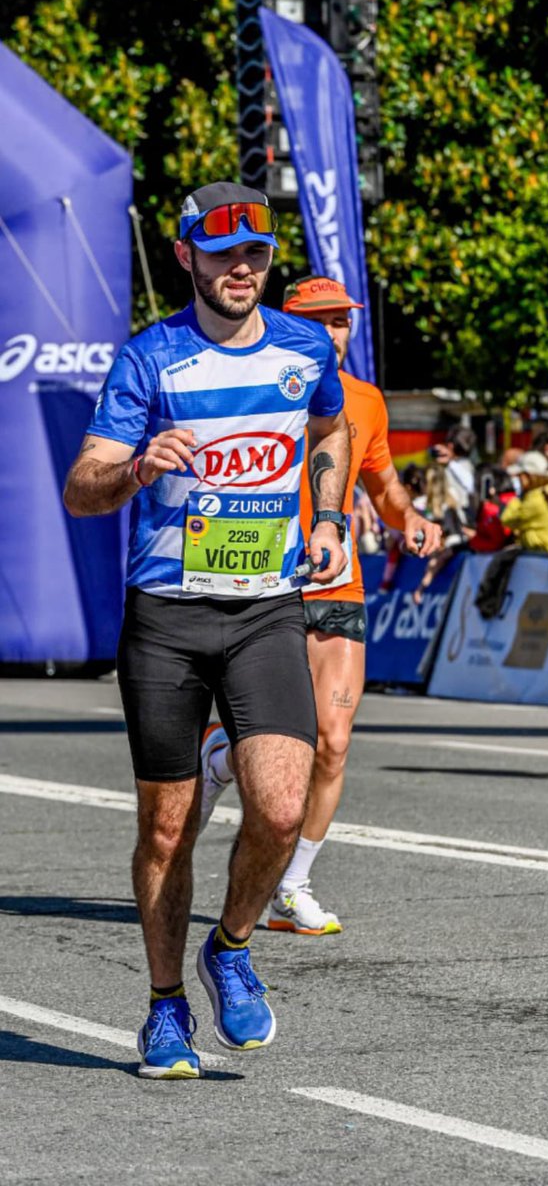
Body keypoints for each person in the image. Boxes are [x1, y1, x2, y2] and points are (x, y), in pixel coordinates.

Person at [62, 182, 351, 1079]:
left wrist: (330, 515)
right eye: (223, 253)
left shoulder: (304, 346)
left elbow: (331, 427)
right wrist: (137, 468)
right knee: (166, 830)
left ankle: (227, 946)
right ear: (186, 254)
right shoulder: (150, 359)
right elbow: (82, 486)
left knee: (279, 804)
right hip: (167, 618)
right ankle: (162, 1007)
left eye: (257, 254)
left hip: (266, 609)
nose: (242, 269)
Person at [197, 274, 441, 936]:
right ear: (290, 321)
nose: (336, 331)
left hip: (336, 583)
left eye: (343, 320)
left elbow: (384, 483)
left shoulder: (364, 400)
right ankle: (221, 754)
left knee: (331, 742)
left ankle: (292, 884)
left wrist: (409, 520)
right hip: (260, 582)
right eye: (323, 319)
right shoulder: (246, 377)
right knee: (279, 743)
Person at [500, 450, 548, 554]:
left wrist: (517, 496)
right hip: (545, 552)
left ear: (529, 476)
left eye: (520, 475)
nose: (517, 478)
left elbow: (506, 519)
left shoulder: (534, 500)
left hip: (539, 553)